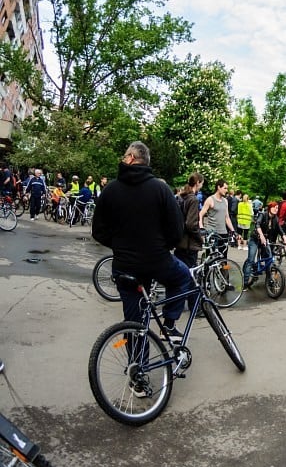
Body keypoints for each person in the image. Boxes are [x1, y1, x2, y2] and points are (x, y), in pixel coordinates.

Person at [92, 141, 194, 341]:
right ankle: (170, 324)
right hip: (156, 261)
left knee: (133, 323)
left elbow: (98, 230)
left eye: (124, 156)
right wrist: (162, 247)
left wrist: (120, 245)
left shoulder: (110, 190)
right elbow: (177, 229)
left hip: (124, 265)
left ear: (131, 158)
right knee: (184, 278)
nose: (123, 159)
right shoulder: (160, 189)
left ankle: (137, 368)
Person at [244, 201, 286, 287]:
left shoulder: (275, 218)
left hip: (265, 241)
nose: (276, 209)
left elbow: (280, 230)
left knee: (269, 259)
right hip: (255, 239)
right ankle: (245, 283)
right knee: (251, 259)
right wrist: (261, 235)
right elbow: (257, 225)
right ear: (269, 208)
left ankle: (269, 281)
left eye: (277, 208)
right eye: (274, 207)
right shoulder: (263, 215)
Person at [174, 173, 203, 268]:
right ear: (197, 183)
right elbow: (191, 224)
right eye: (202, 183)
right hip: (189, 245)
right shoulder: (193, 200)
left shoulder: (181, 197)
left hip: (179, 242)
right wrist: (199, 237)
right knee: (189, 274)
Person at [199, 179, 235, 245]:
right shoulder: (210, 200)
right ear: (218, 187)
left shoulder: (225, 201)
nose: (226, 190)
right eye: (225, 188)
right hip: (212, 233)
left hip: (223, 233)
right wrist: (201, 227)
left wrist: (232, 230)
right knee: (212, 254)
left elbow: (227, 217)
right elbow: (200, 214)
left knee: (223, 255)